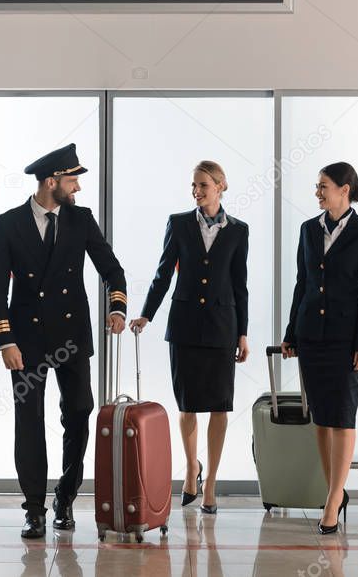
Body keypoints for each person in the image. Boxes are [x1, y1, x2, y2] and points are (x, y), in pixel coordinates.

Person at [0, 143, 128, 539]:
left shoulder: (81, 220)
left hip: (71, 335)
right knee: (29, 421)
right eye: (73, 180)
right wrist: (5, 341)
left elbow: (111, 269)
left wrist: (117, 307)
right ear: (52, 182)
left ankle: (65, 495)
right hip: (26, 340)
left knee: (79, 412)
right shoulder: (9, 223)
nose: (78, 188)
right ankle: (34, 508)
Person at [130, 161, 250, 514]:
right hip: (184, 326)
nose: (196, 191)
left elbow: (240, 286)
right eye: (193, 186)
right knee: (187, 404)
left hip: (222, 327)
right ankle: (191, 469)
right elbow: (163, 273)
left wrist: (243, 333)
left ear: (221, 186)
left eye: (203, 185)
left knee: (219, 405)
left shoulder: (239, 230)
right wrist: (147, 314)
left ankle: (210, 480)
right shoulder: (179, 223)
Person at [280, 161, 358, 535]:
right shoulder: (309, 230)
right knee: (321, 420)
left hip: (346, 341)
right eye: (317, 185)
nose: (318, 192)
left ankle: (333, 498)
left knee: (343, 417)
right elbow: (301, 284)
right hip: (311, 336)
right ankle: (334, 493)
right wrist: (291, 333)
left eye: (323, 185)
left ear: (345, 189)